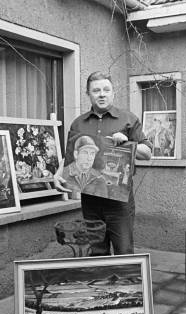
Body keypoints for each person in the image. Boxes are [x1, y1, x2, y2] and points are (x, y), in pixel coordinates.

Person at [54, 71, 152, 255]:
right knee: (97, 252)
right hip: (90, 200)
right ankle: (102, 284)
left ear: (113, 92)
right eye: (96, 90)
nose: (102, 94)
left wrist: (127, 143)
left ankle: (125, 283)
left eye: (106, 90)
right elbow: (71, 155)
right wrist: (59, 173)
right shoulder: (78, 124)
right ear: (88, 94)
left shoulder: (128, 119)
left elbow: (147, 153)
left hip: (119, 201)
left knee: (124, 250)